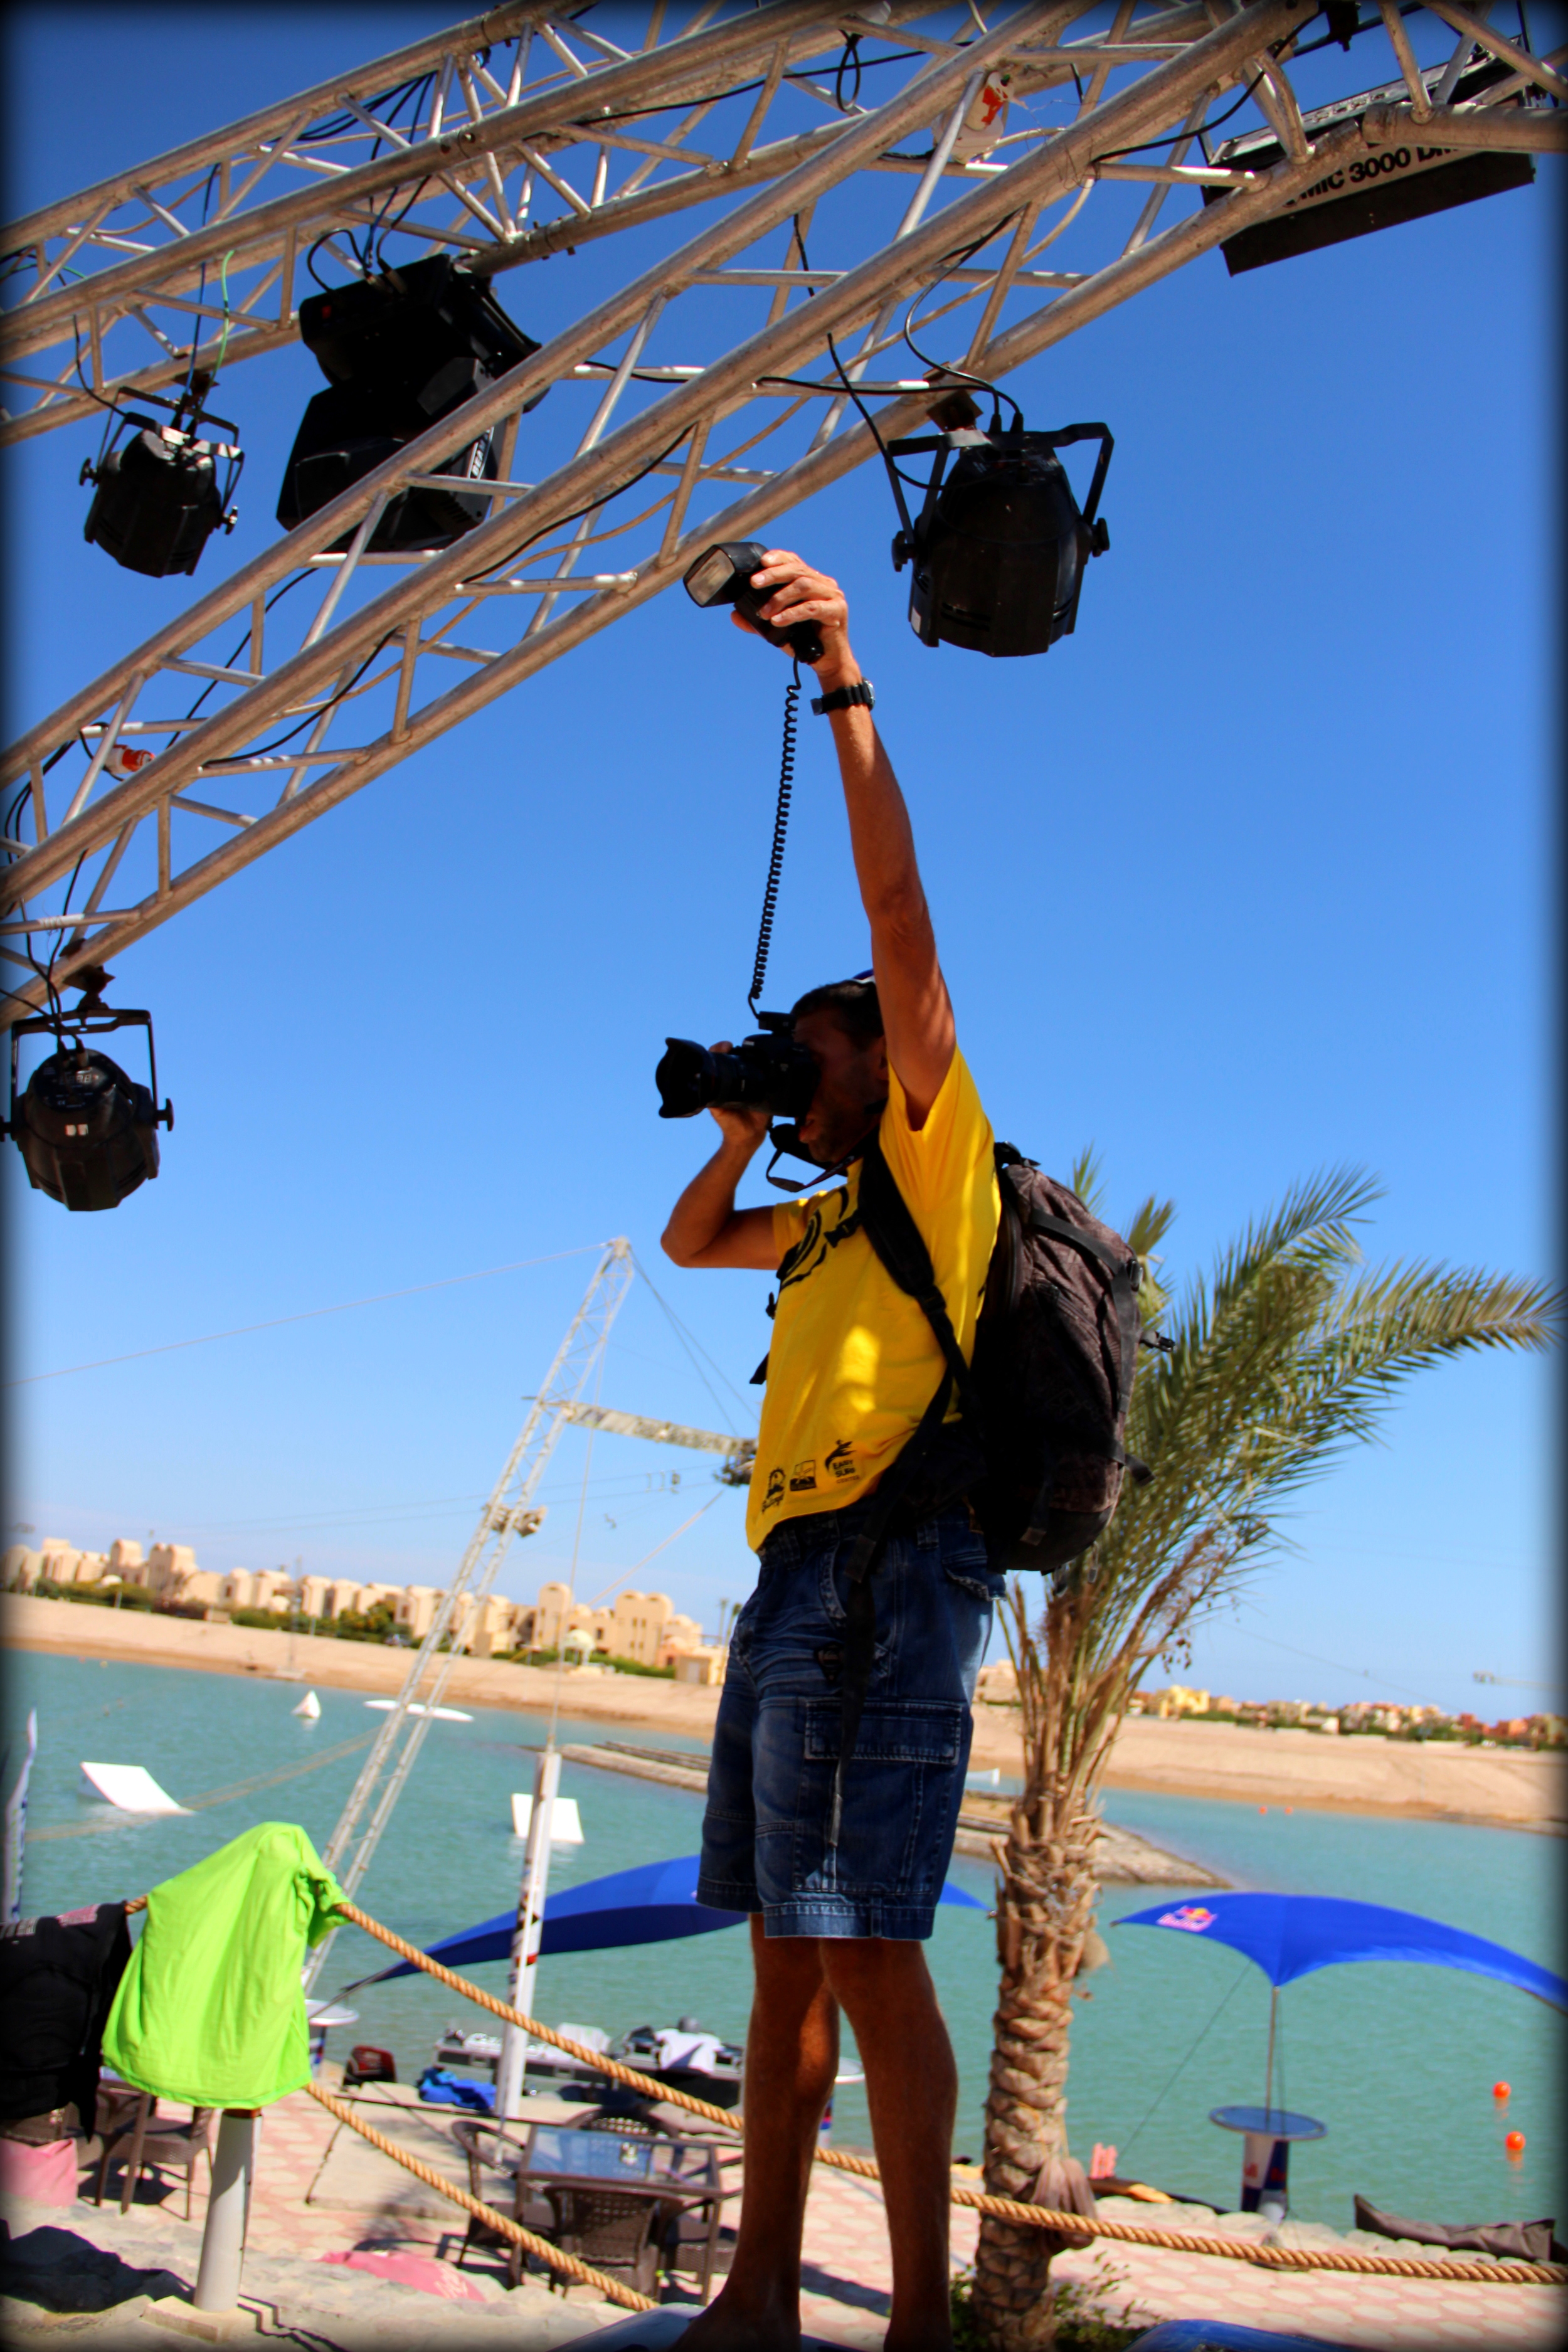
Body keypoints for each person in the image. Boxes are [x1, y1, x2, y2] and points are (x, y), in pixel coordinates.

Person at [662, 550, 1002, 2351]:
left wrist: (844, 678)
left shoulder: (938, 1160)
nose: (806, 1071)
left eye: (819, 1052)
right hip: (797, 1572)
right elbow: (690, 1247)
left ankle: (924, 2326)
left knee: (866, 1940)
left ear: (884, 1054)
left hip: (888, 1566)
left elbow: (898, 923)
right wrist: (736, 1132)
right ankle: (752, 2298)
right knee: (782, 1951)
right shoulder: (823, 1217)